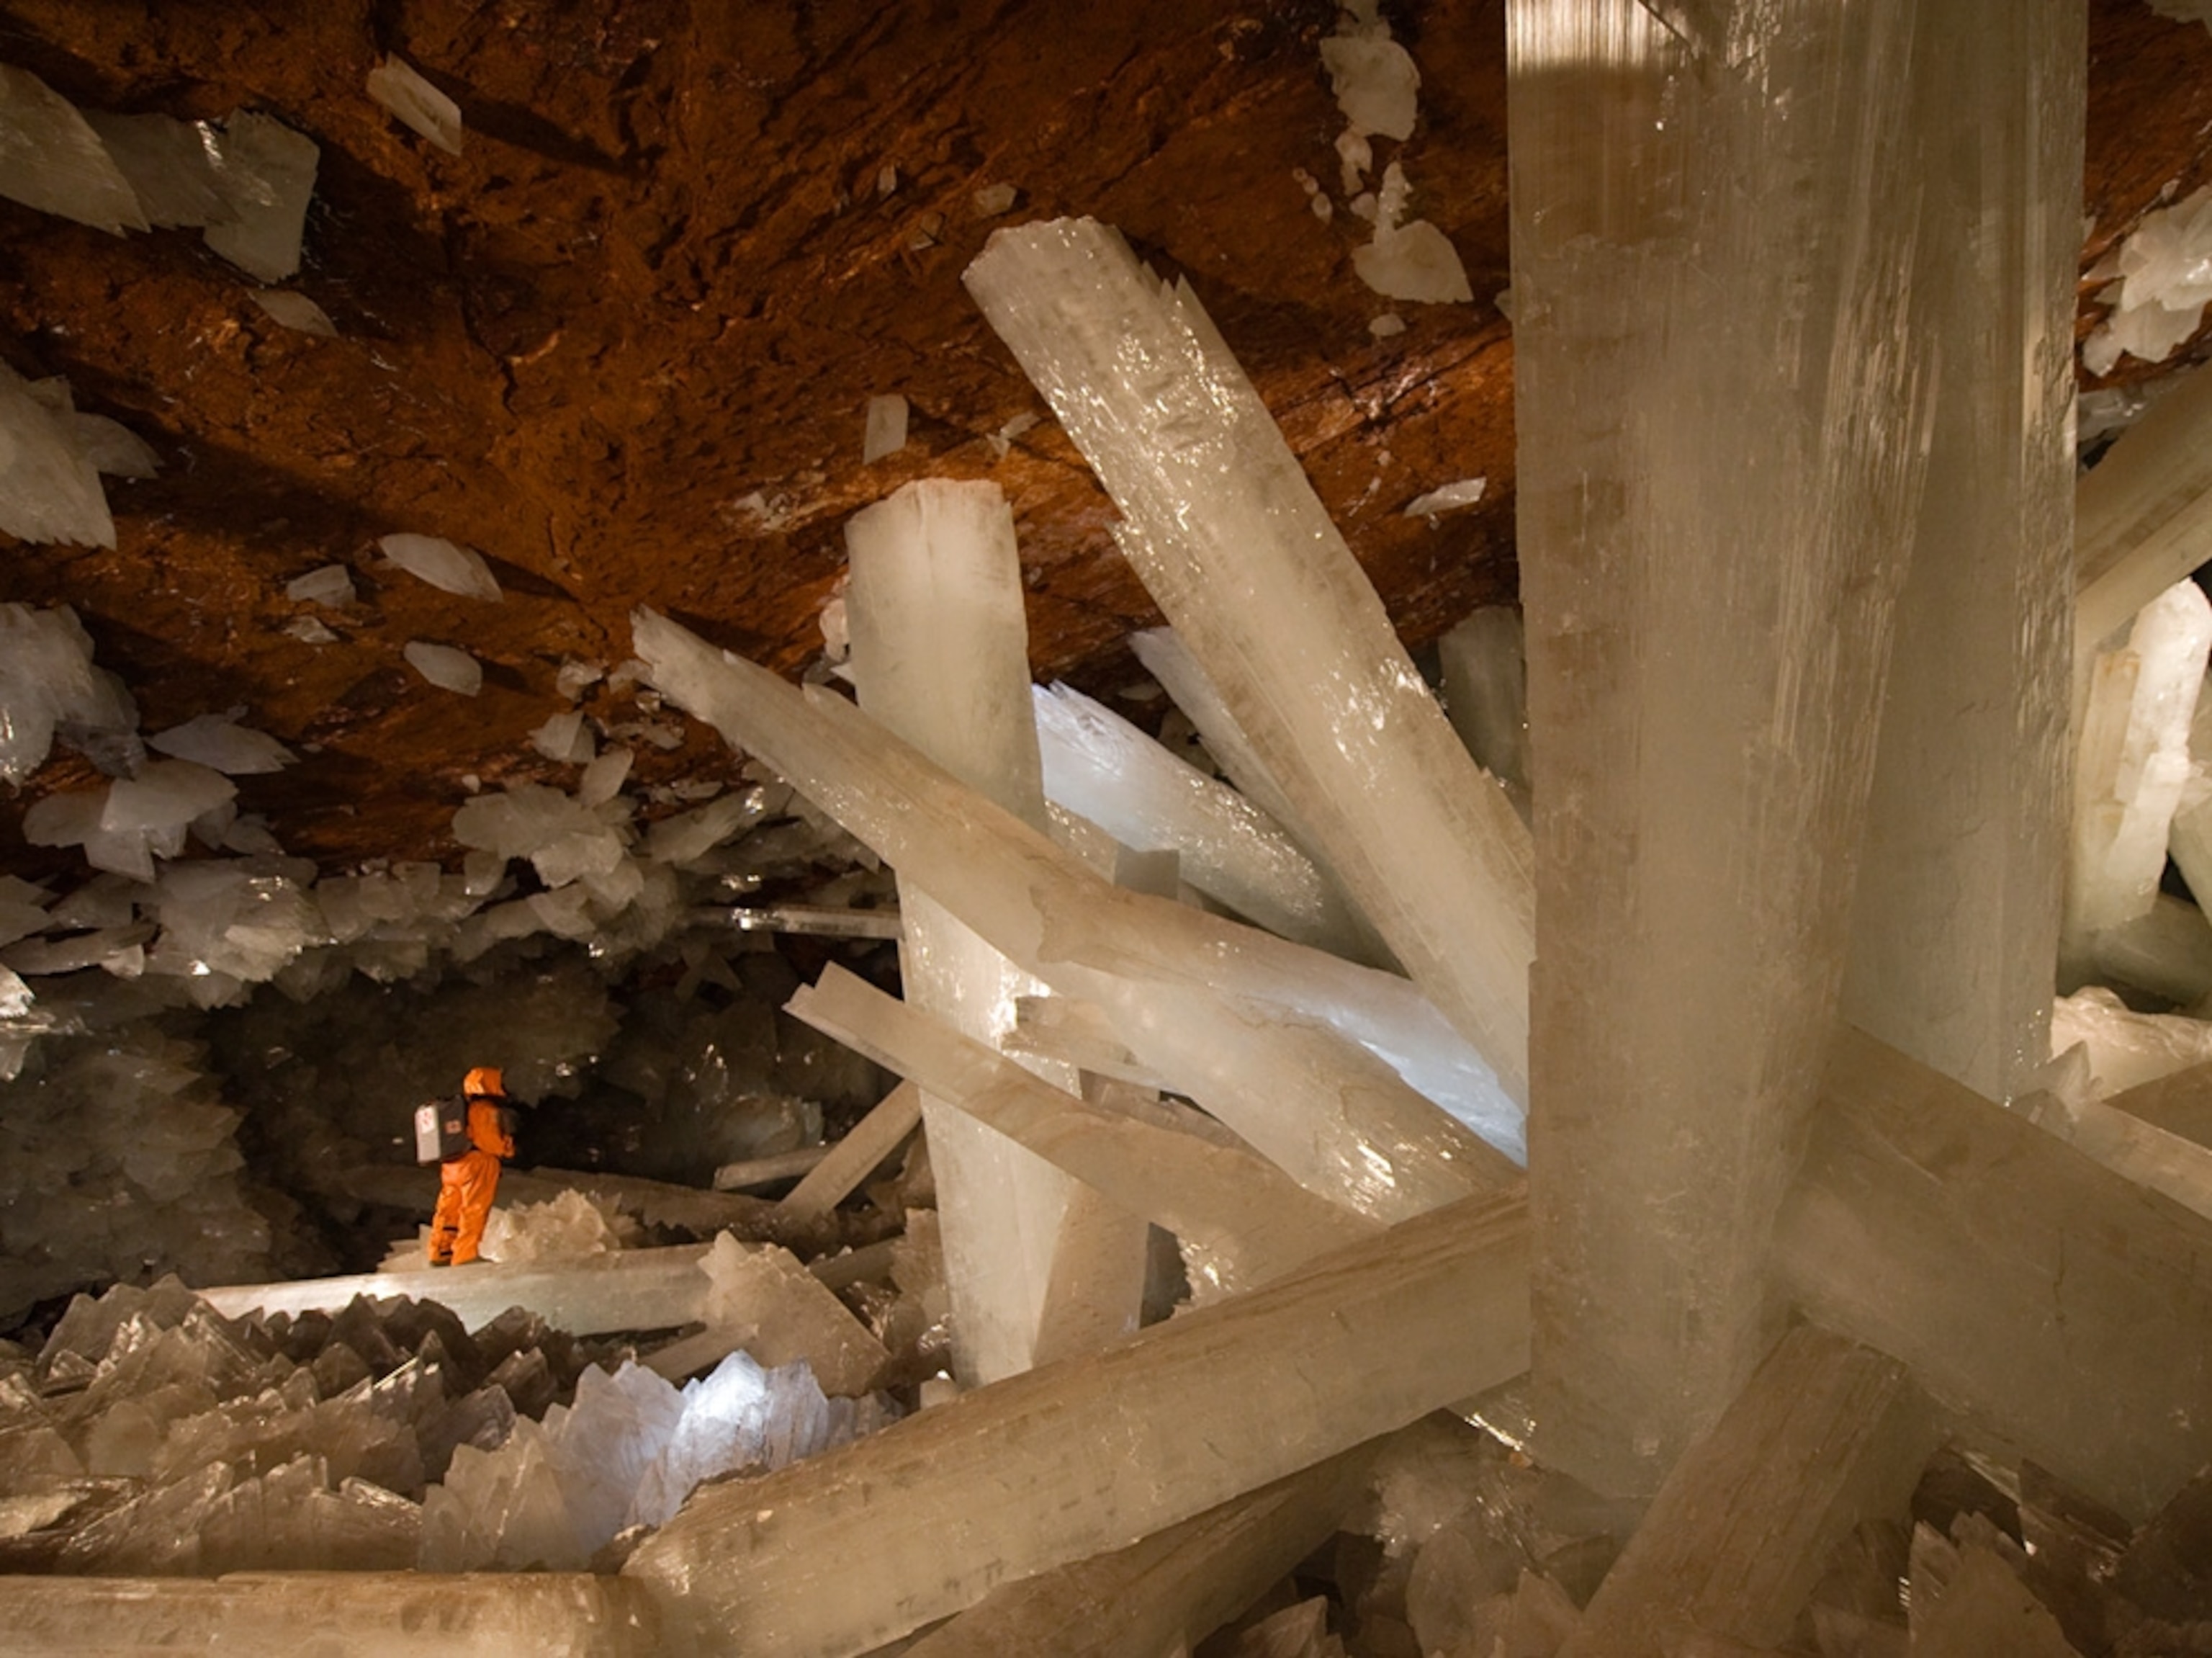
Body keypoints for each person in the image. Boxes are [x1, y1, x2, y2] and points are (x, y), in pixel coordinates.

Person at [428, 1066, 516, 1267]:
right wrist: (507, 1148)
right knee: (473, 1209)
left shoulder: (460, 1109)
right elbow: (489, 1141)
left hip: (452, 1165)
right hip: (477, 1164)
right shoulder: (486, 1110)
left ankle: (440, 1251)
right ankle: (465, 1255)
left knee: (448, 1209)